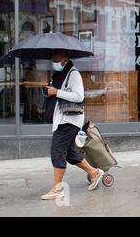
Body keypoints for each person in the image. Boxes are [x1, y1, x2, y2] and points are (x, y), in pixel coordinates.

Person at [41, 50, 104, 200]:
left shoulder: (73, 74)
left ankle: (57, 189)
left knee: (57, 151)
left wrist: (57, 92)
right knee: (68, 153)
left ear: (65, 59)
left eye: (57, 59)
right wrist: (51, 91)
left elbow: (79, 96)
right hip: (63, 119)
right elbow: (58, 93)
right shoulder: (59, 75)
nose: (54, 63)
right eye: (53, 60)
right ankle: (94, 173)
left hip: (69, 120)